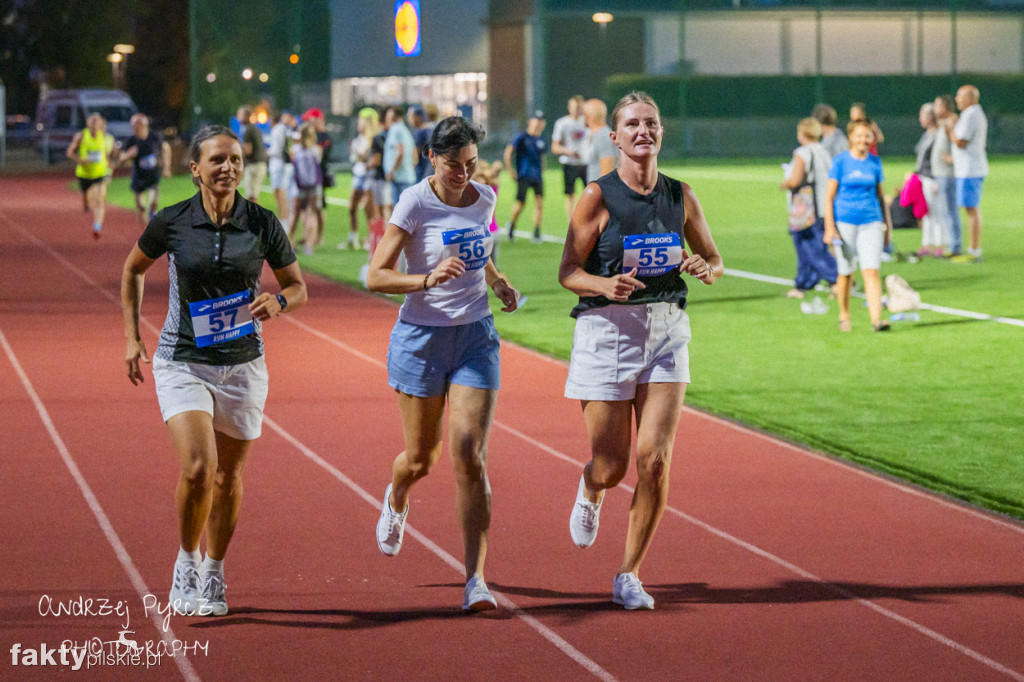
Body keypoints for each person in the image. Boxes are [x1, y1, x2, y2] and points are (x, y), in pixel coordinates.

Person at [120, 125, 307, 617]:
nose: (228, 167)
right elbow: (133, 269)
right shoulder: (173, 222)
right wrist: (132, 335)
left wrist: (280, 300)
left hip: (244, 365)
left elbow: (297, 285)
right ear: (195, 168)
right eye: (218, 160)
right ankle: (187, 558)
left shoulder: (261, 222)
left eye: (236, 159)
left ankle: (214, 570)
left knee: (228, 478)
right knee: (200, 469)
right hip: (183, 360)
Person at [557, 92, 722, 610]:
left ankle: (629, 573)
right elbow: (567, 271)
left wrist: (704, 268)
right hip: (606, 333)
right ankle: (591, 488)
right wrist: (605, 286)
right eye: (631, 124)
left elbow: (713, 258)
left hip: (667, 331)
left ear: (660, 132)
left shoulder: (682, 196)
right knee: (612, 464)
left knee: (654, 461)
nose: (642, 131)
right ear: (615, 136)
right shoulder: (597, 197)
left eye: (650, 123)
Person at [366, 116, 520, 612]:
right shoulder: (414, 202)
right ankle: (396, 496)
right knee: (420, 460)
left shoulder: (486, 198)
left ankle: (475, 579)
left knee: (469, 455)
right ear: (432, 157)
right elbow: (375, 275)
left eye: (472, 164)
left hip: (476, 336)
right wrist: (426, 280)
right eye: (455, 164)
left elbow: (481, 248)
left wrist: (496, 282)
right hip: (421, 339)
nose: (464, 174)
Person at [823, 119, 893, 332]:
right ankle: (844, 315)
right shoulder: (840, 162)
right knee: (846, 272)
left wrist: (887, 226)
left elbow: (881, 197)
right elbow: (829, 198)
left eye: (868, 135)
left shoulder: (874, 163)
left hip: (871, 222)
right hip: (845, 224)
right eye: (860, 135)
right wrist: (829, 228)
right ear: (851, 137)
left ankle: (876, 320)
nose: (864, 139)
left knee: (871, 271)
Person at [780, 117, 837, 298]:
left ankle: (836, 280)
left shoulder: (802, 152)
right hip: (824, 206)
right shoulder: (824, 151)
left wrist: (786, 184)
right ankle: (804, 283)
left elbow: (796, 180)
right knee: (811, 246)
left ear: (802, 133)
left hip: (807, 209)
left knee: (810, 247)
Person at [945, 84, 988, 263]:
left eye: (959, 96)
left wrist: (950, 127)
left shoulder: (971, 115)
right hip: (968, 168)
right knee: (970, 209)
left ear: (969, 98)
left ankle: (974, 250)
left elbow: (960, 141)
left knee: (972, 210)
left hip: (970, 170)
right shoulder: (972, 114)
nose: (956, 99)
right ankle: (973, 249)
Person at [67, 113, 118, 239]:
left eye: (98, 126)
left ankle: (97, 226)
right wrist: (80, 160)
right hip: (84, 174)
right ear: (88, 125)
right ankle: (85, 202)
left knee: (100, 199)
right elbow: (69, 152)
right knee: (87, 204)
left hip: (100, 172)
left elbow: (106, 154)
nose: (95, 129)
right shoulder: (81, 136)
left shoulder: (105, 138)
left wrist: (111, 164)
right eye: (93, 126)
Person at [121, 113, 171, 229]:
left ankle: (152, 216)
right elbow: (121, 157)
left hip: (152, 175)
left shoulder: (154, 136)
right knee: (141, 207)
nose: (133, 129)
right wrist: (129, 154)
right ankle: (146, 232)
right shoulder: (131, 140)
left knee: (153, 202)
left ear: (143, 126)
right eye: (132, 127)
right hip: (138, 176)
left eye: (135, 126)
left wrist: (166, 167)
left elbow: (165, 148)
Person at [503, 110, 547, 243]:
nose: (538, 123)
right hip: (524, 174)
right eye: (536, 120)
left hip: (537, 176)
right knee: (521, 203)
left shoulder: (540, 139)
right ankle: (512, 224)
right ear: (530, 121)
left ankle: (537, 232)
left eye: (540, 120)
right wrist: (510, 170)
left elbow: (541, 156)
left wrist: (542, 169)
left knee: (539, 203)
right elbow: (508, 152)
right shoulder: (522, 137)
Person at [912, 103, 945, 258]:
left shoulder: (939, 134)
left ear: (930, 116)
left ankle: (940, 244)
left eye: (922, 115)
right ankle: (927, 243)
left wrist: (938, 179)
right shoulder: (927, 134)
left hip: (933, 178)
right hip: (923, 177)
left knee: (936, 212)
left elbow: (940, 158)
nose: (920, 118)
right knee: (925, 212)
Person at [344, 107, 380, 250]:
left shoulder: (373, 139)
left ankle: (371, 239)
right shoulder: (358, 139)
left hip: (369, 177)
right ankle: (353, 237)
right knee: (352, 206)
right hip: (358, 174)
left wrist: (362, 156)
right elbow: (356, 157)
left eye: (361, 121)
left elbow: (370, 158)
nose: (359, 124)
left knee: (369, 209)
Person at [932, 95, 960, 257]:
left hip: (948, 174)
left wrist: (953, 158)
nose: (935, 109)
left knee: (949, 210)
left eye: (937, 105)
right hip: (941, 173)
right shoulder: (944, 123)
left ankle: (954, 246)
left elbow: (959, 143)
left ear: (944, 107)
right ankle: (952, 244)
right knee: (945, 210)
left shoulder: (952, 121)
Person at [551, 96, 588, 220]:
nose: (577, 109)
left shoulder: (587, 122)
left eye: (579, 107)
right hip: (569, 164)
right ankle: (571, 226)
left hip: (585, 163)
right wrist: (569, 152)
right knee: (570, 195)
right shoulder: (562, 123)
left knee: (590, 194)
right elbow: (555, 147)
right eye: (574, 107)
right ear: (569, 108)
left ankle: (588, 221)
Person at [291, 122, 324, 256]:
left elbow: (293, 165)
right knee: (312, 214)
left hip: (299, 186)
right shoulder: (317, 150)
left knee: (297, 214)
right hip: (314, 186)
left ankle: (291, 243)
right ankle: (309, 246)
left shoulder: (295, 149)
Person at [268, 111, 297, 232]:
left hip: (279, 163)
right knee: (279, 193)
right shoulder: (284, 129)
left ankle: (285, 222)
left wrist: (267, 152)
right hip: (282, 164)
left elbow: (277, 148)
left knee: (281, 194)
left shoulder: (278, 129)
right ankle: (284, 220)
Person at [383, 105, 417, 203]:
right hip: (408, 176)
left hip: (399, 178)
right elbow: (414, 154)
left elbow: (400, 152)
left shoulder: (395, 129)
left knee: (400, 213)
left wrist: (392, 171)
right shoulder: (405, 130)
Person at [581, 98, 617, 183]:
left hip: (603, 194)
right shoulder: (600, 135)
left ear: (587, 116)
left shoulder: (602, 137)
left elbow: (607, 172)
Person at [237, 107, 267, 205]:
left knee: (251, 198)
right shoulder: (255, 129)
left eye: (240, 114)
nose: (238, 117)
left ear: (246, 116)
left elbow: (248, 151)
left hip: (253, 165)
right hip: (260, 164)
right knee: (252, 198)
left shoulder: (248, 131)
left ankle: (257, 220)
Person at [409, 106, 435, 183]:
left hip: (422, 170)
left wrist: (412, 167)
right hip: (431, 169)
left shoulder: (420, 131)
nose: (411, 120)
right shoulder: (432, 128)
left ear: (418, 117)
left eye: (412, 117)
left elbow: (415, 154)